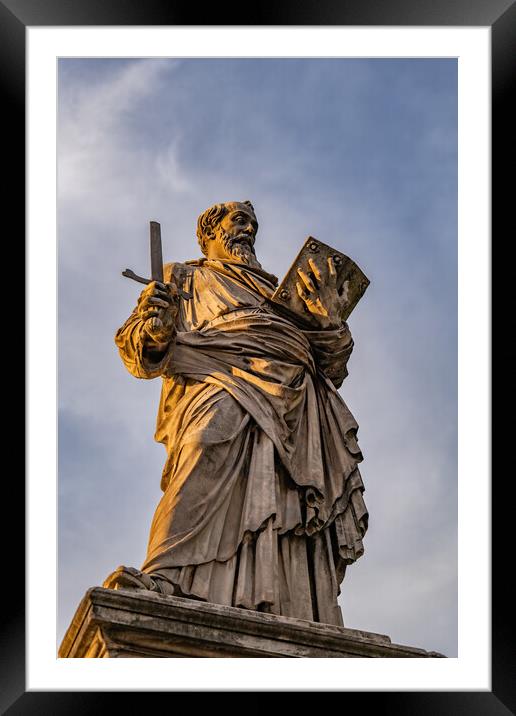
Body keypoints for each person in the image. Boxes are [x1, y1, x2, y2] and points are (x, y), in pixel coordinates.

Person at [103, 200, 368, 626]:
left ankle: (299, 603)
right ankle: (167, 574)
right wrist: (155, 326)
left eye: (253, 223)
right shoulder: (186, 276)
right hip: (219, 372)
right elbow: (139, 348)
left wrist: (329, 320)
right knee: (203, 446)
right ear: (208, 231)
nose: (247, 229)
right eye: (238, 220)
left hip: (299, 396)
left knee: (287, 492)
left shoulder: (281, 291)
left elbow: (332, 365)